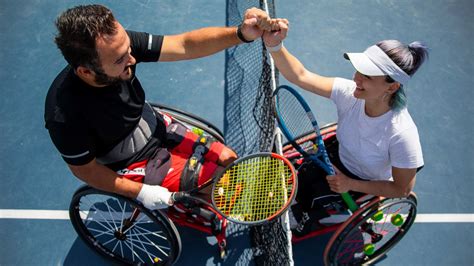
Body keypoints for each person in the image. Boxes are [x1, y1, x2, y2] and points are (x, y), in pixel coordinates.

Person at [44, 4, 277, 211]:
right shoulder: (64, 115)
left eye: (129, 49)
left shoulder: (120, 48)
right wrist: (139, 193)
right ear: (86, 71)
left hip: (153, 124)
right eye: (119, 60)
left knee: (228, 157)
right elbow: (86, 171)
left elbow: (184, 44)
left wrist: (241, 34)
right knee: (219, 185)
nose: (132, 59)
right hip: (130, 160)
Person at [262, 20, 428, 236]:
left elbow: (402, 189)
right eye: (358, 70)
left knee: (302, 206)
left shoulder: (402, 134)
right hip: (335, 155)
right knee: (289, 180)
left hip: (362, 181)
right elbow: (300, 76)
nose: (356, 78)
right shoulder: (350, 93)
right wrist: (275, 45)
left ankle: (334, 214)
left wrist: (350, 184)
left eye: (367, 76)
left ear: (393, 86)